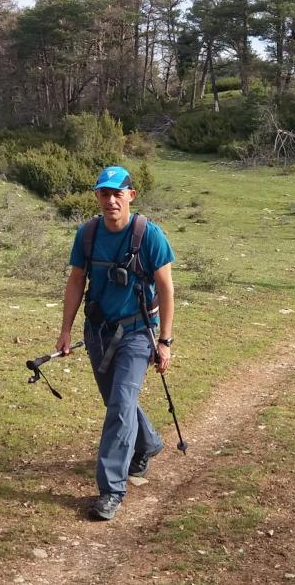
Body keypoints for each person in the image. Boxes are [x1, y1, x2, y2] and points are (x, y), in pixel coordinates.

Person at [55, 165, 175, 521]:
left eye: (117, 194)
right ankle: (148, 442)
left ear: (131, 196)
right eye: (104, 194)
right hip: (98, 333)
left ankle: (111, 490)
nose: (110, 201)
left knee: (121, 405)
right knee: (116, 401)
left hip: (138, 333)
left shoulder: (149, 235)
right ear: (97, 196)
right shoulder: (87, 234)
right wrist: (65, 330)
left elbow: (166, 289)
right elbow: (76, 281)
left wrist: (165, 341)